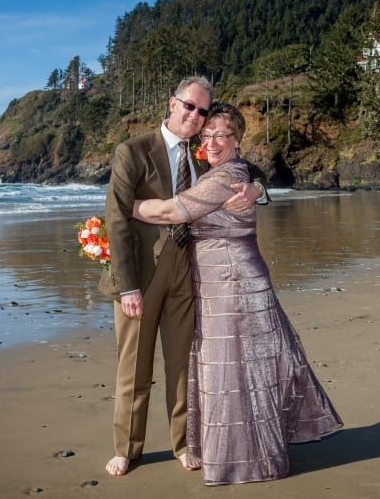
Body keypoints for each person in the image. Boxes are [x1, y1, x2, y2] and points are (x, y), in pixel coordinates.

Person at [133, 102, 343, 485]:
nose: (211, 141)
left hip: (233, 282)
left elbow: (170, 213)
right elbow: (255, 180)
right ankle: (244, 451)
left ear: (237, 140)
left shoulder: (225, 177)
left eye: (221, 135)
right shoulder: (225, 172)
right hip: (220, 280)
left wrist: (124, 205)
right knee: (236, 365)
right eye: (207, 134)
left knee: (233, 366)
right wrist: (260, 189)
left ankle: (244, 458)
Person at [99, 76, 267, 477]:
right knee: (135, 369)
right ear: (172, 104)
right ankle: (127, 448)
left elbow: (246, 166)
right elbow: (116, 220)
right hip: (142, 275)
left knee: (182, 367)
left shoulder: (202, 154)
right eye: (189, 106)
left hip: (186, 273)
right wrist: (128, 286)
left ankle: (183, 444)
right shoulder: (133, 150)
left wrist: (259, 187)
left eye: (202, 110)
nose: (195, 115)